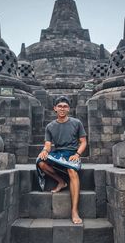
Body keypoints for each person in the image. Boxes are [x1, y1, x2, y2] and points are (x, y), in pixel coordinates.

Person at [37, 95, 87, 224]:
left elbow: (83, 142)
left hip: (71, 154)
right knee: (40, 162)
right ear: (55, 108)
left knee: (72, 171)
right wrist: (44, 151)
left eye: (65, 106)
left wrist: (77, 154)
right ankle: (61, 182)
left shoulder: (76, 123)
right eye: (59, 106)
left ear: (69, 109)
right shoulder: (50, 126)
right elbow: (48, 145)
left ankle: (74, 211)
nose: (62, 108)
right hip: (58, 154)